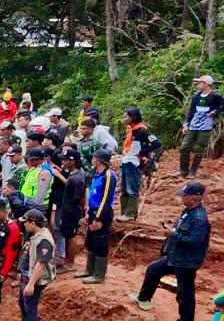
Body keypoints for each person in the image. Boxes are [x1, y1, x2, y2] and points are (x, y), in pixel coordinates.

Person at [129, 181, 211, 321]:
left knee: (185, 293)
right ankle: (143, 299)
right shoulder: (188, 211)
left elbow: (195, 241)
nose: (181, 198)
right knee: (154, 269)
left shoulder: (199, 218)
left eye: (184, 195)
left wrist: (173, 234)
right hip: (176, 256)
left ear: (193, 198)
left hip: (187, 261)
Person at [180, 74, 224, 178]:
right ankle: (183, 171)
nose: (197, 85)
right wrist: (186, 124)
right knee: (184, 147)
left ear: (206, 84)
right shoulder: (196, 97)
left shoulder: (215, 96)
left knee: (198, 148)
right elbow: (191, 111)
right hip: (193, 126)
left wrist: (215, 112)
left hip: (205, 127)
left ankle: (192, 172)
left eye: (199, 83)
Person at [15, 209, 55, 321]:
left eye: (26, 222)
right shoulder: (34, 235)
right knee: (22, 303)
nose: (24, 224)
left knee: (30, 306)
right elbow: (27, 254)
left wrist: (31, 284)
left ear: (33, 222)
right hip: (27, 274)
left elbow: (41, 264)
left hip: (36, 279)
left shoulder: (44, 240)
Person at [79, 149, 117, 284]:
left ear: (99, 160)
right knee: (91, 241)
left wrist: (98, 218)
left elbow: (106, 199)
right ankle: (89, 270)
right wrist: (88, 213)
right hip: (93, 211)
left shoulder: (108, 175)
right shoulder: (96, 174)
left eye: (94, 157)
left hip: (102, 213)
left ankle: (99, 275)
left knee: (100, 242)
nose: (92, 160)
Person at [54, 149, 87, 275]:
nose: (63, 162)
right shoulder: (74, 174)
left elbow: (80, 198)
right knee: (67, 235)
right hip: (68, 210)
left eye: (65, 160)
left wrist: (81, 214)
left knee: (71, 237)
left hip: (72, 211)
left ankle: (70, 263)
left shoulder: (76, 178)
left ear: (72, 161)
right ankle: (67, 261)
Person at [118, 106, 151, 220]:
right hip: (127, 160)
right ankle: (124, 212)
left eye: (126, 116)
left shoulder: (142, 130)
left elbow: (155, 143)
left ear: (133, 117)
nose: (123, 119)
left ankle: (130, 214)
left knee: (132, 188)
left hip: (134, 162)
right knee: (124, 188)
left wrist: (141, 153)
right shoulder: (130, 129)